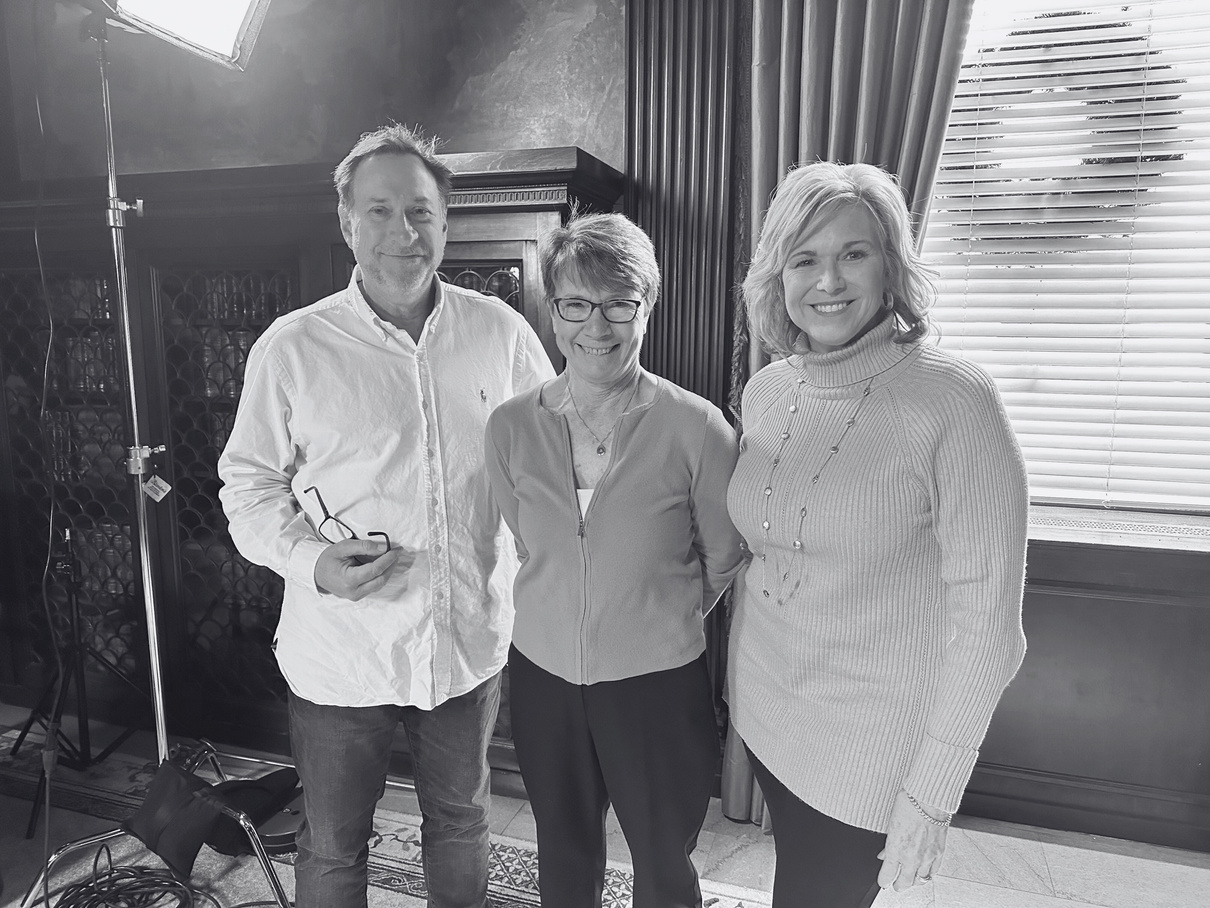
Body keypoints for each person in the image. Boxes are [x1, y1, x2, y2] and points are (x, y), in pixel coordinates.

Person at [217, 123, 554, 908]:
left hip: (463, 641)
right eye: (379, 211)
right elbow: (247, 484)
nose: (403, 232)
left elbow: (547, 450)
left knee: (462, 823)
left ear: (446, 222)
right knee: (334, 846)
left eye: (420, 212)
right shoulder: (293, 346)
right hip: (343, 653)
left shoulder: (500, 333)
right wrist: (311, 563)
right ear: (345, 221)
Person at [726, 161, 1029, 907]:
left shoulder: (954, 401)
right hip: (768, 712)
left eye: (853, 254)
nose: (827, 280)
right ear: (778, 278)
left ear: (891, 266)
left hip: (868, 744)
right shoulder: (767, 390)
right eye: (805, 259)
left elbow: (991, 630)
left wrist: (933, 791)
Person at [484, 213, 745, 908]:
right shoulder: (509, 426)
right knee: (564, 858)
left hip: (657, 685)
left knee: (664, 863)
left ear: (646, 309)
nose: (596, 327)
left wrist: (652, 615)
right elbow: (526, 541)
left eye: (619, 304)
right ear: (552, 309)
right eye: (575, 303)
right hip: (542, 678)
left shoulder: (698, 428)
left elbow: (722, 555)